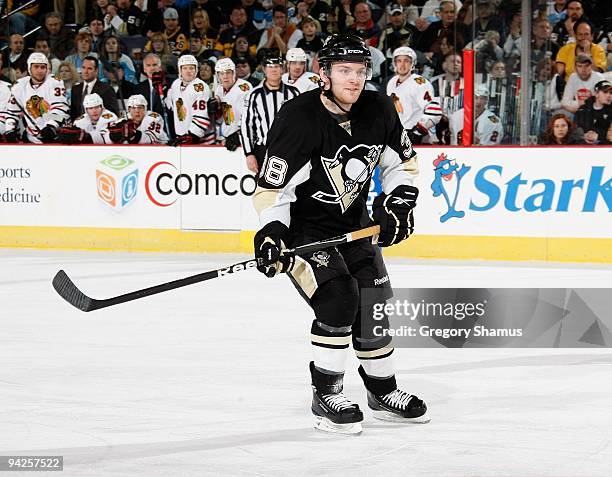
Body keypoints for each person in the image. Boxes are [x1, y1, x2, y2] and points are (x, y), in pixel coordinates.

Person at [251, 33, 428, 435]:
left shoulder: (379, 108)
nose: (354, 79)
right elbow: (273, 188)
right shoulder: (298, 117)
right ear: (323, 73)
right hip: (307, 233)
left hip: (355, 227)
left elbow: (402, 164)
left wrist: (398, 203)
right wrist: (272, 233)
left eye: (360, 70)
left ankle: (382, 390)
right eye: (344, 71)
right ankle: (325, 392)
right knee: (339, 298)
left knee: (375, 303)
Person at [241, 54, 300, 173]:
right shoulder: (254, 95)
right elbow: (246, 126)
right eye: (270, 66)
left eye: (277, 66)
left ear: (283, 69)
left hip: (289, 148)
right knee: (264, 190)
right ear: (264, 69)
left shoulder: (293, 93)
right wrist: (249, 154)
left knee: (290, 189)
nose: (274, 69)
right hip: (263, 150)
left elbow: (301, 124)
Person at [4, 52, 70, 144]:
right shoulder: (19, 86)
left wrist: (51, 126)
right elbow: (12, 113)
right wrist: (9, 130)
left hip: (54, 136)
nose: (40, 70)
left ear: (47, 69)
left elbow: (62, 111)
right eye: (36, 67)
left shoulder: (55, 82)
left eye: (43, 67)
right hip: (30, 138)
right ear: (29, 68)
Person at [386, 46, 442, 144]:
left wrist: (416, 132)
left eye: (406, 61)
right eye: (399, 61)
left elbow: (435, 111)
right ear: (394, 63)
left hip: (416, 139)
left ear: (413, 63)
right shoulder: (392, 82)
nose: (402, 65)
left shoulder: (420, 83)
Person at [165, 54, 214, 144]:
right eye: (185, 68)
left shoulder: (200, 87)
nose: (188, 71)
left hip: (201, 141)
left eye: (191, 68)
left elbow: (202, 116)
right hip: (182, 138)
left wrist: (191, 136)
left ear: (196, 70)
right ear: (180, 70)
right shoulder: (176, 84)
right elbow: (170, 105)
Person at [210, 58, 251, 151]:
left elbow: (248, 117)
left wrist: (238, 135)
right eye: (221, 73)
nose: (225, 76)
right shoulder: (219, 88)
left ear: (233, 73)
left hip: (240, 139)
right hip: (225, 137)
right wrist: (215, 105)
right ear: (217, 75)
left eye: (228, 72)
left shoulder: (244, 88)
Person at [574, 79, 612, 144]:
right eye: (605, 92)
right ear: (596, 94)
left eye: (611, 93)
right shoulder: (583, 109)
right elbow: (574, 130)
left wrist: (598, 136)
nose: (609, 95)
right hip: (583, 145)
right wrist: (584, 136)